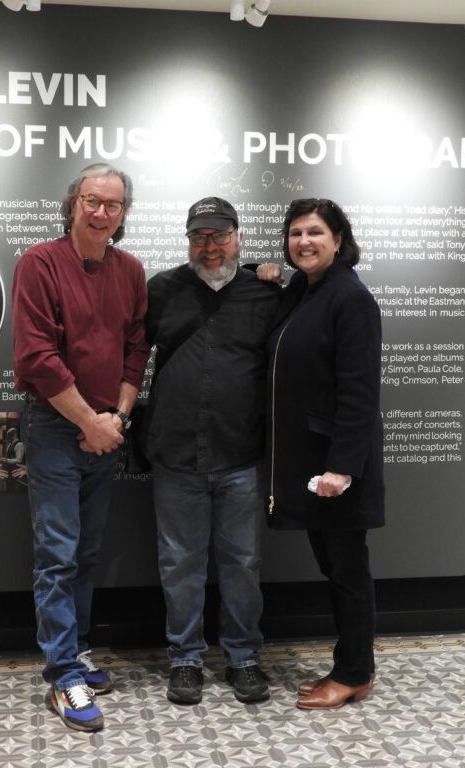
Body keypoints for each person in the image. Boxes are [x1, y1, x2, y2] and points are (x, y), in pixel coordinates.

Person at [12, 163, 149, 732]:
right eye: (92, 201)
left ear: (123, 215)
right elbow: (36, 357)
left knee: (86, 551)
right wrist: (89, 422)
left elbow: (136, 350)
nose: (101, 213)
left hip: (105, 431)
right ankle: (62, 675)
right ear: (73, 204)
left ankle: (78, 649)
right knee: (58, 553)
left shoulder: (132, 270)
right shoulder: (39, 263)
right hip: (54, 428)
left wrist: (114, 418)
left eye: (113, 205)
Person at [140, 197, 280, 706]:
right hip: (176, 453)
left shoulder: (265, 293)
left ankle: (243, 657)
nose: (211, 246)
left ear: (238, 236)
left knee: (242, 562)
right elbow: (132, 353)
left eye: (220, 236)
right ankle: (185, 660)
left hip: (241, 453)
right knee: (180, 562)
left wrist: (276, 271)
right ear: (189, 241)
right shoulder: (162, 290)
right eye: (200, 237)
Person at [265, 198, 385, 711]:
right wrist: (261, 271)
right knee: (336, 569)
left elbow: (360, 393)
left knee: (347, 572)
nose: (303, 242)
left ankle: (355, 672)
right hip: (313, 464)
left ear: (339, 239)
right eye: (295, 233)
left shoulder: (350, 299)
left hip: (335, 470)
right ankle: (350, 664)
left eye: (315, 232)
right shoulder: (304, 289)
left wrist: (341, 468)